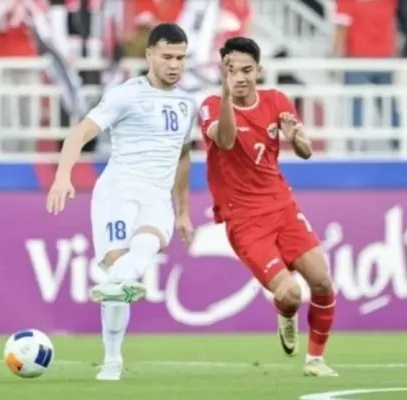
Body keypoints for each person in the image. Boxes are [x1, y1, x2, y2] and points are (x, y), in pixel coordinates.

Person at [46, 23, 196, 381]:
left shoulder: (188, 103)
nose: (175, 65)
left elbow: (183, 156)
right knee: (119, 270)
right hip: (119, 191)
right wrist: (63, 175)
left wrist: (185, 211)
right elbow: (80, 133)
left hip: (158, 197)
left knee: (137, 256)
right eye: (167, 57)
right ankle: (112, 359)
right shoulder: (125, 95)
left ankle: (120, 280)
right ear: (149, 56)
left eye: (181, 58)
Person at [197, 37, 337, 377]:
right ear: (222, 72)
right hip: (244, 220)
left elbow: (305, 151)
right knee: (291, 295)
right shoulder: (211, 105)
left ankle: (315, 361)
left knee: (322, 283)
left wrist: (297, 138)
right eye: (232, 70)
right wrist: (228, 95)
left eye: (247, 70)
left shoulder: (276, 100)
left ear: (259, 70)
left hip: (282, 207)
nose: (240, 77)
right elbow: (226, 141)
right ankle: (285, 313)